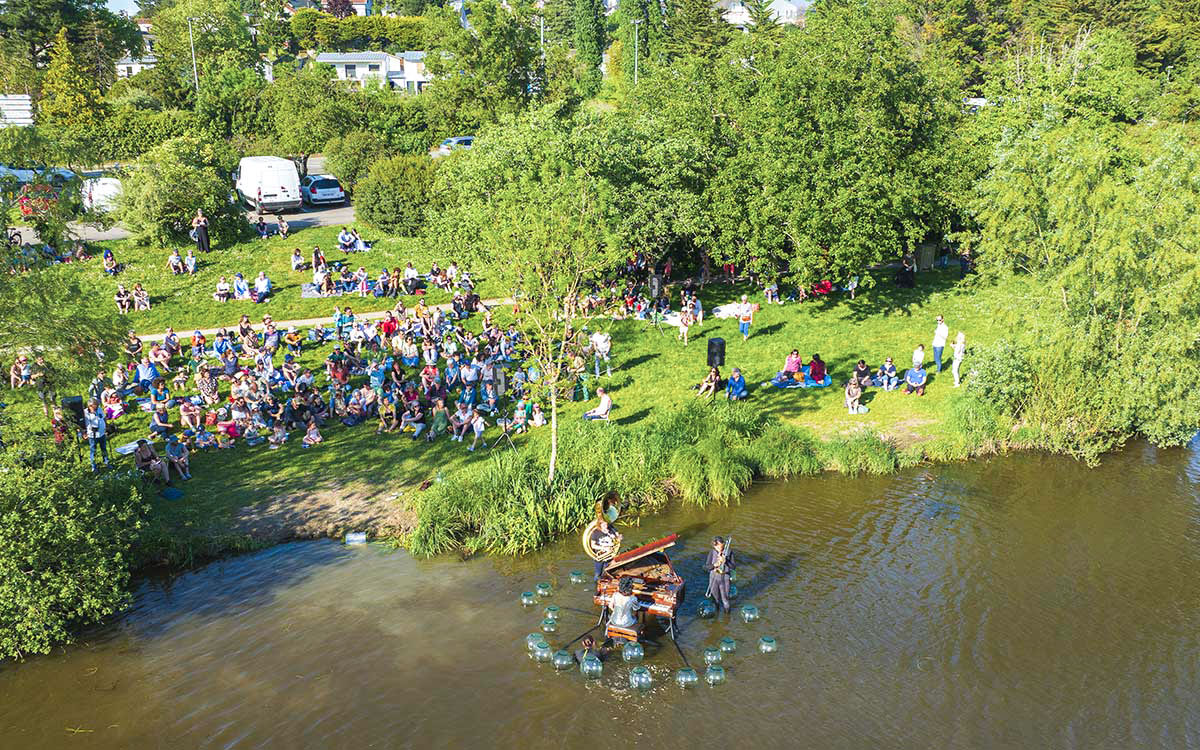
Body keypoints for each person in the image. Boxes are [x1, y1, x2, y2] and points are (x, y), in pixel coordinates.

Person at [704, 536, 735, 614]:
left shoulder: (729, 552)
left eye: (722, 546)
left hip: (725, 578)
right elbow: (706, 567)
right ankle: (717, 613)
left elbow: (733, 567)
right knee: (715, 599)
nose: (720, 549)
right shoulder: (712, 552)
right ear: (715, 546)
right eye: (718, 547)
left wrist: (726, 561)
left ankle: (727, 616)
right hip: (714, 577)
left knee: (725, 599)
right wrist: (714, 565)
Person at [83, 400, 111, 471]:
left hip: (102, 433)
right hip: (92, 435)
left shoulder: (99, 409)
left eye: (98, 406)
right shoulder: (85, 413)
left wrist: (106, 426)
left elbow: (103, 417)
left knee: (104, 448)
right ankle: (94, 466)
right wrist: (83, 433)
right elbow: (81, 424)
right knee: (93, 451)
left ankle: (106, 462)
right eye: (96, 406)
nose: (97, 407)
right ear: (90, 406)